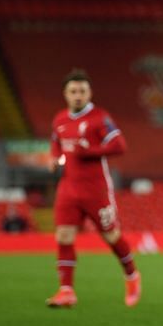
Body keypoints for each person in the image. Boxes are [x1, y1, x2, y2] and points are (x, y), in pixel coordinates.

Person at [46, 69, 141, 308]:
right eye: (73, 91)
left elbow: (119, 145)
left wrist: (90, 151)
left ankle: (131, 275)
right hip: (68, 187)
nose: (78, 95)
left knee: (111, 236)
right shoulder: (60, 119)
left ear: (89, 93)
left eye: (82, 91)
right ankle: (66, 290)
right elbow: (56, 145)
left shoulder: (100, 117)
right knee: (64, 236)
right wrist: (54, 159)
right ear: (65, 94)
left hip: (95, 189)